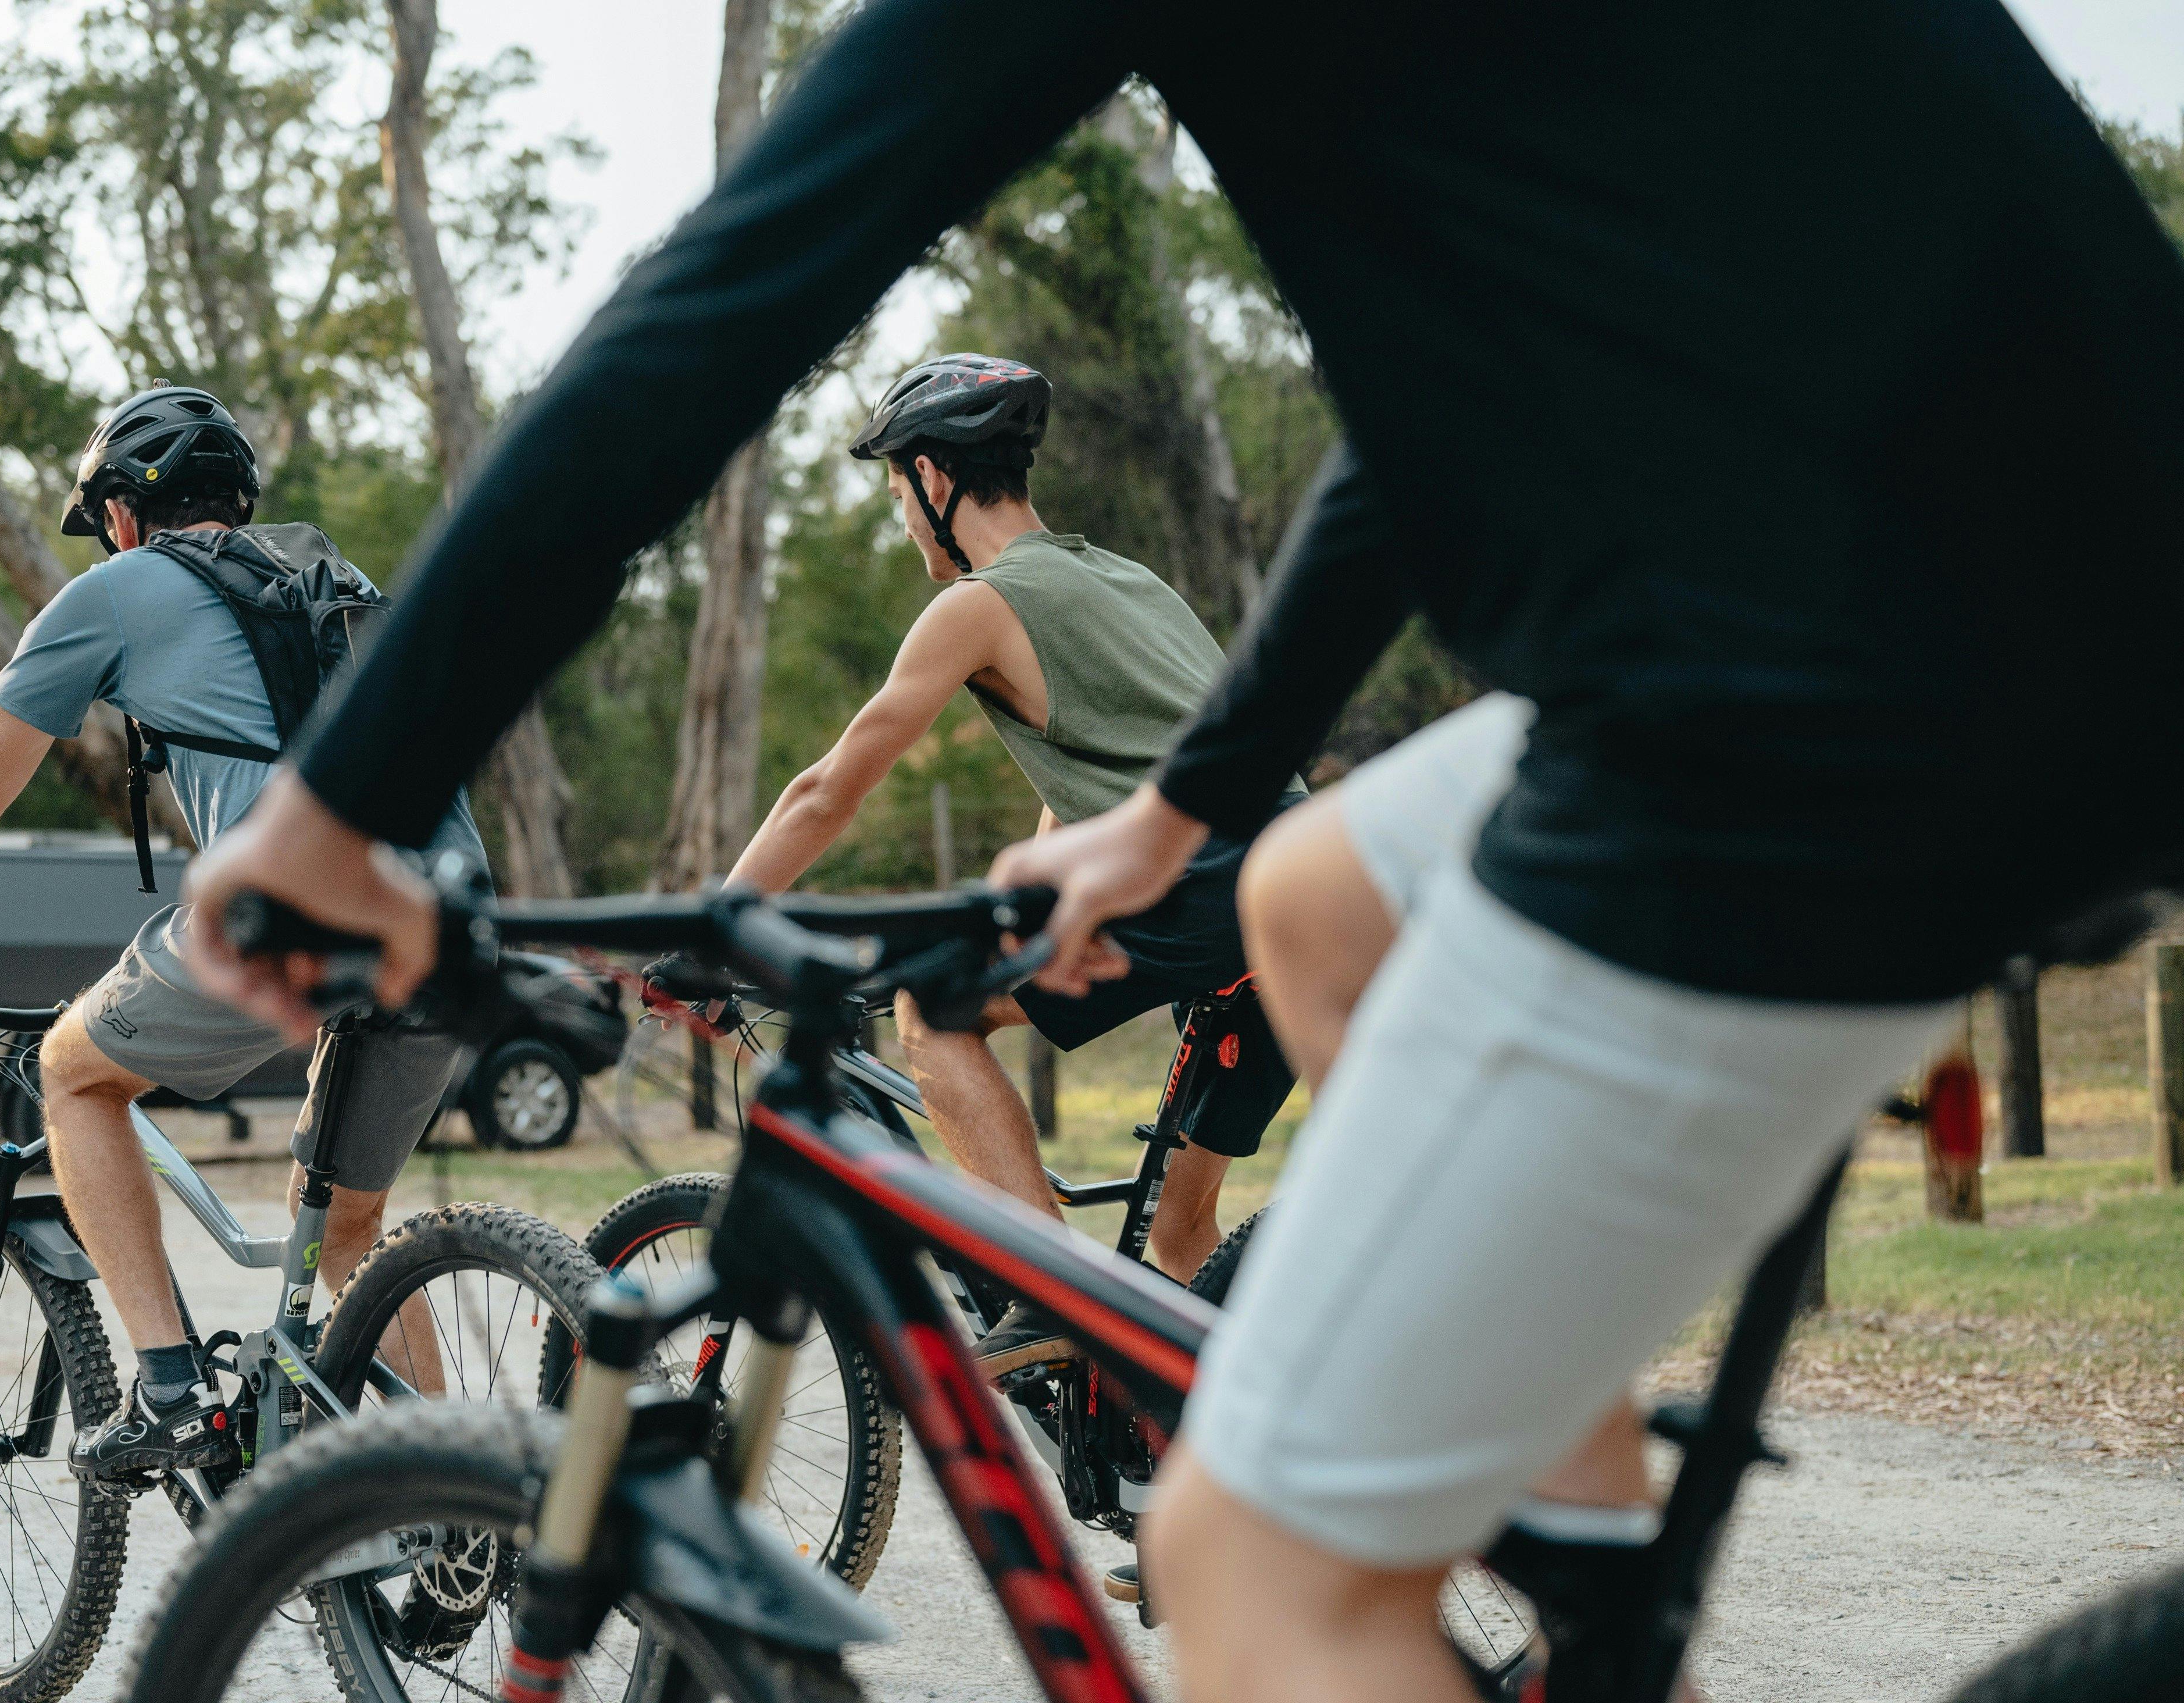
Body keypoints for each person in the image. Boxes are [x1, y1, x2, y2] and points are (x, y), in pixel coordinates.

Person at [176, 5, 2184, 1700]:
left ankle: (1292, 1492)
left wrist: (347, 796)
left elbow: (733, 291)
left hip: (1826, 681)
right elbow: (1444, 416)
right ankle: (1568, 1531)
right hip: (2028, 578)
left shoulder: (986, 588)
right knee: (1318, 899)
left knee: (1245, 1562)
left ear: (934, 485)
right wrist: (1183, 804)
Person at [0, 386, 490, 1480]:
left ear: (126, 511)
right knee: (352, 1233)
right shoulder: (336, 581)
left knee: (73, 1072)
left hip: (293, 915)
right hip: (450, 919)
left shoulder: (115, 593)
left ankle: (168, 1386)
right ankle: (459, 1521)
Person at [678, 352, 1298, 1369]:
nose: (901, 517)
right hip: (1292, 898)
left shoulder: (980, 604)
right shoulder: (1125, 580)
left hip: (1199, 889)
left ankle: (1047, 1289)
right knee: (1185, 1238)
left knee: (931, 1010)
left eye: (895, 492)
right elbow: (1095, 784)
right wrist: (1008, 907)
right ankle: (1180, 1462)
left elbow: (829, 788)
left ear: (933, 477)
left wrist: (714, 926)